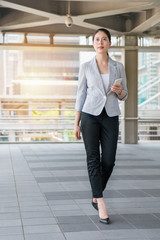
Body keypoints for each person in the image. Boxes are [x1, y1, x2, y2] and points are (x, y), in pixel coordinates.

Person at [74, 28, 128, 224]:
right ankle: (101, 202)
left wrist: (120, 91)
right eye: (97, 39)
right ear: (93, 43)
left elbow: (125, 95)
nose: (100, 42)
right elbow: (80, 95)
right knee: (93, 158)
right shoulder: (86, 66)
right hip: (90, 116)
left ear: (109, 43)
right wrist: (76, 123)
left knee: (109, 161)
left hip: (111, 116)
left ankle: (95, 194)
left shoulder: (118, 66)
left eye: (104, 39)